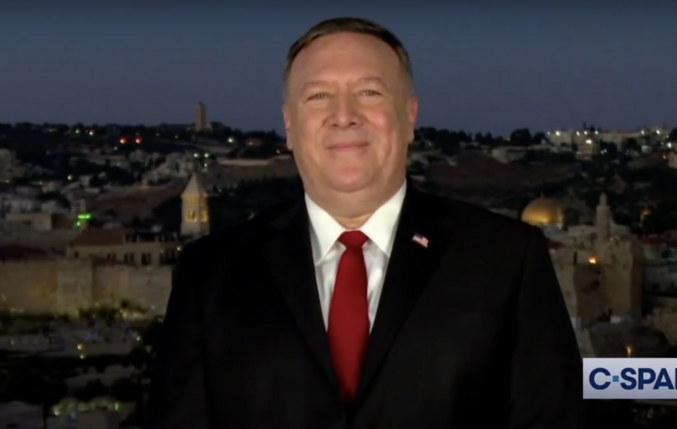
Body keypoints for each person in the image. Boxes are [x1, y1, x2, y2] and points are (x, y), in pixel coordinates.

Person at [147, 16, 584, 429]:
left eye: (369, 92)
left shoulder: (507, 259)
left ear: (409, 116)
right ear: (289, 125)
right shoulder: (210, 274)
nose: (344, 115)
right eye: (318, 95)